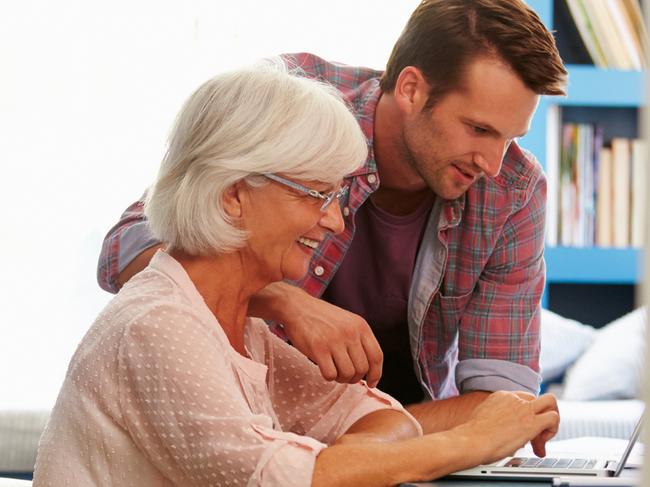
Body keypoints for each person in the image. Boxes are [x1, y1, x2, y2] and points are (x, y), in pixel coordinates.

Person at [35, 64, 559, 487]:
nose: (335, 218)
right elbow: (279, 478)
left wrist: (351, 463)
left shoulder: (245, 336)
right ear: (234, 194)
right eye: (317, 195)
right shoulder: (160, 325)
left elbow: (373, 414)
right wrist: (467, 441)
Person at [97, 0, 567, 433]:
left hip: (404, 432)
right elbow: (127, 248)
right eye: (479, 129)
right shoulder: (297, 103)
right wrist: (283, 301)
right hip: (253, 416)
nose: (491, 162)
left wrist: (371, 442)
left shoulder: (515, 191)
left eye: (509, 138)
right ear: (410, 89)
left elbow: (502, 402)